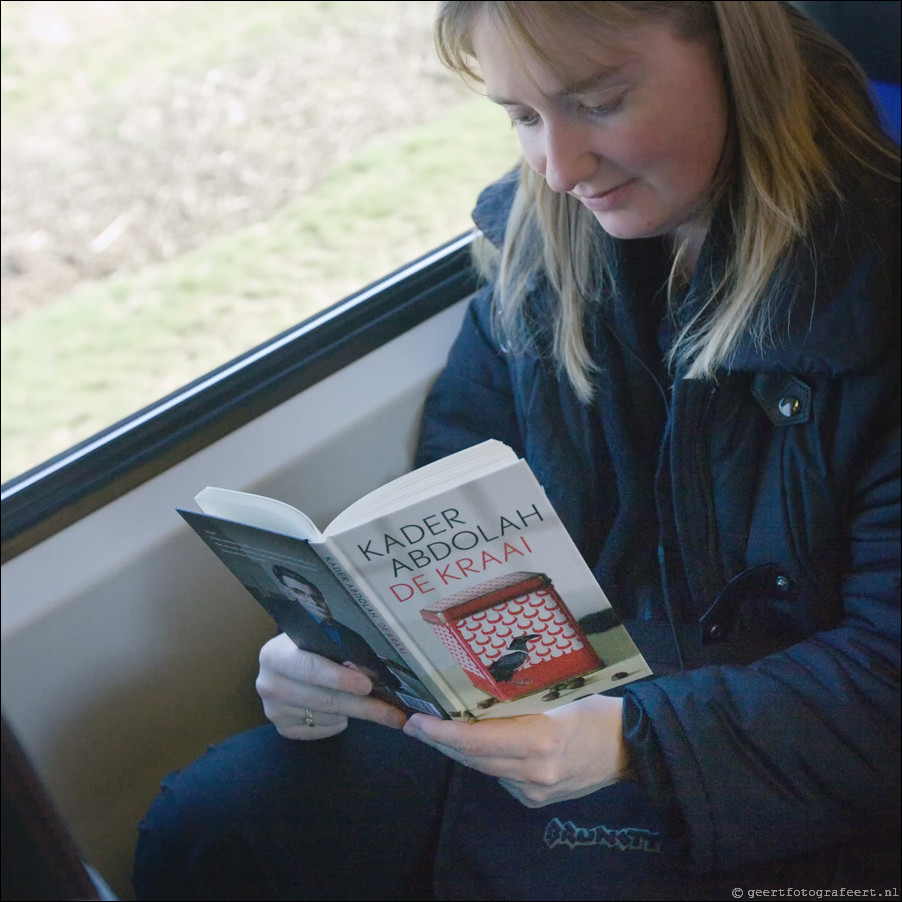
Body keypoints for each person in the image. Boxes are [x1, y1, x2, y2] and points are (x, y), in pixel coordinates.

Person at [132, 2, 900, 899]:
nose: (560, 167)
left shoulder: (876, 292)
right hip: (556, 698)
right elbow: (460, 508)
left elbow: (884, 677)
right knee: (219, 821)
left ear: (740, 60)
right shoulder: (544, 257)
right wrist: (347, 653)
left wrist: (631, 741)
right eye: (523, 117)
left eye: (601, 102)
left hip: (785, 752)